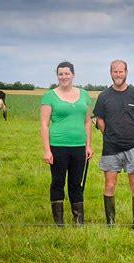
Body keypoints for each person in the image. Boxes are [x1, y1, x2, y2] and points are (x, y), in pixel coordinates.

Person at [93, 60, 134, 229]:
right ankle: (110, 222)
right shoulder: (104, 96)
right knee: (109, 185)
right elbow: (100, 120)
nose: (118, 74)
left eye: (121, 71)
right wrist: (108, 135)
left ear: (126, 72)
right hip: (110, 148)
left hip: (132, 147)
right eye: (115, 72)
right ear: (110, 73)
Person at [40, 61, 93, 227]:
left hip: (78, 146)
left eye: (67, 73)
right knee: (58, 182)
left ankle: (78, 221)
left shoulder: (84, 95)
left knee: (76, 183)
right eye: (60, 74)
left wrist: (88, 145)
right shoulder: (49, 96)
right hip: (58, 146)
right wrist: (47, 150)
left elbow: (87, 123)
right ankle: (59, 222)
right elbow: (44, 123)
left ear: (73, 75)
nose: (64, 77)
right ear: (57, 76)